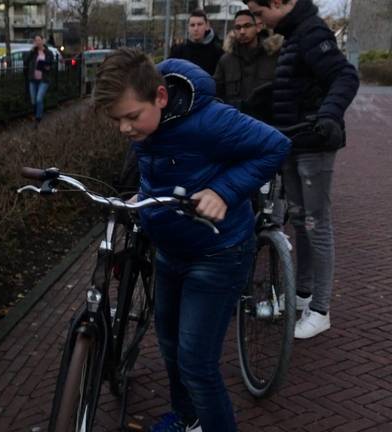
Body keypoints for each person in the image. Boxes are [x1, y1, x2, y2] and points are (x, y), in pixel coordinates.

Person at [93, 48, 290, 432]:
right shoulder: (150, 123)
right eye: (116, 120)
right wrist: (143, 194)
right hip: (170, 251)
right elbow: (165, 166)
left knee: (197, 364)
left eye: (131, 117)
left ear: (161, 98)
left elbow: (276, 146)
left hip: (217, 254)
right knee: (169, 347)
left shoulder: (211, 121)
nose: (124, 129)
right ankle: (188, 419)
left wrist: (224, 190)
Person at [244, 0, 359, 339]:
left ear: (278, 2)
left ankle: (321, 310)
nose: (256, 18)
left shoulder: (311, 32)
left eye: (258, 11)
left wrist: (328, 115)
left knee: (316, 223)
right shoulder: (295, 34)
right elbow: (297, 86)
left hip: (314, 143)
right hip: (294, 141)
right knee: (300, 221)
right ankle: (303, 293)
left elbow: (344, 75)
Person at [214, 10, 281, 117]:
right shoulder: (226, 61)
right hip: (235, 122)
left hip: (267, 123)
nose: (242, 31)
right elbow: (217, 95)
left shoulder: (273, 57)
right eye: (238, 27)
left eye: (247, 26)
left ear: (258, 28)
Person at [169, 10, 224, 76]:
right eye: (192, 25)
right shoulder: (178, 51)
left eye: (199, 24)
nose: (196, 29)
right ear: (188, 28)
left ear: (207, 26)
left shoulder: (217, 52)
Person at [23, 34, 54, 124]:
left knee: (39, 99)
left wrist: (47, 67)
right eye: (36, 40)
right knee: (33, 101)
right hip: (33, 80)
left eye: (39, 40)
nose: (38, 42)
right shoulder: (33, 52)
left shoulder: (48, 52)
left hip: (43, 80)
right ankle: (37, 113)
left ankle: (38, 118)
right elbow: (26, 61)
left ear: (43, 41)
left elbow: (51, 64)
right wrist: (32, 50)